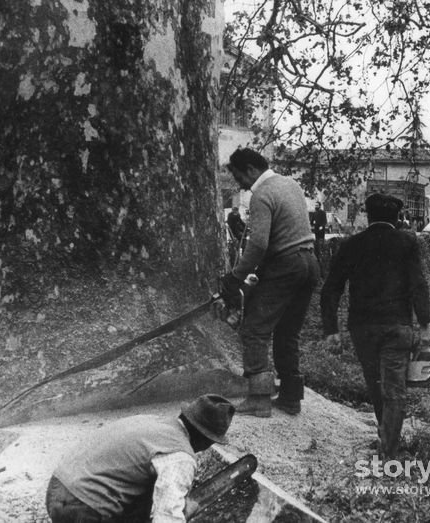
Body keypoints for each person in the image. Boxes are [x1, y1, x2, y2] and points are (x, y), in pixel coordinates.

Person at [319, 193, 430, 459]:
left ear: (368, 216)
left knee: (375, 384)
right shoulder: (407, 242)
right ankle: (390, 450)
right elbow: (418, 283)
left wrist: (330, 330)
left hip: (363, 328)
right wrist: (426, 324)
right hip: (397, 326)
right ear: (397, 217)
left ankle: (386, 439)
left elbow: (331, 289)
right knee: (394, 389)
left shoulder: (352, 244)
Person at [220, 148, 320, 417]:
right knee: (288, 333)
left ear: (251, 169)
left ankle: (259, 398)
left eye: (240, 176)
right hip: (309, 263)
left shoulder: (261, 194)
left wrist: (235, 277)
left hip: (286, 264)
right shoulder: (290, 184)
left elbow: (259, 244)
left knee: (254, 329)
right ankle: (290, 397)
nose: (240, 183)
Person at [45, 394, 235, 523]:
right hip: (84, 508)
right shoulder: (180, 456)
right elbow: (166, 517)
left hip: (57, 488)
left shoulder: (153, 422)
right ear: (205, 438)